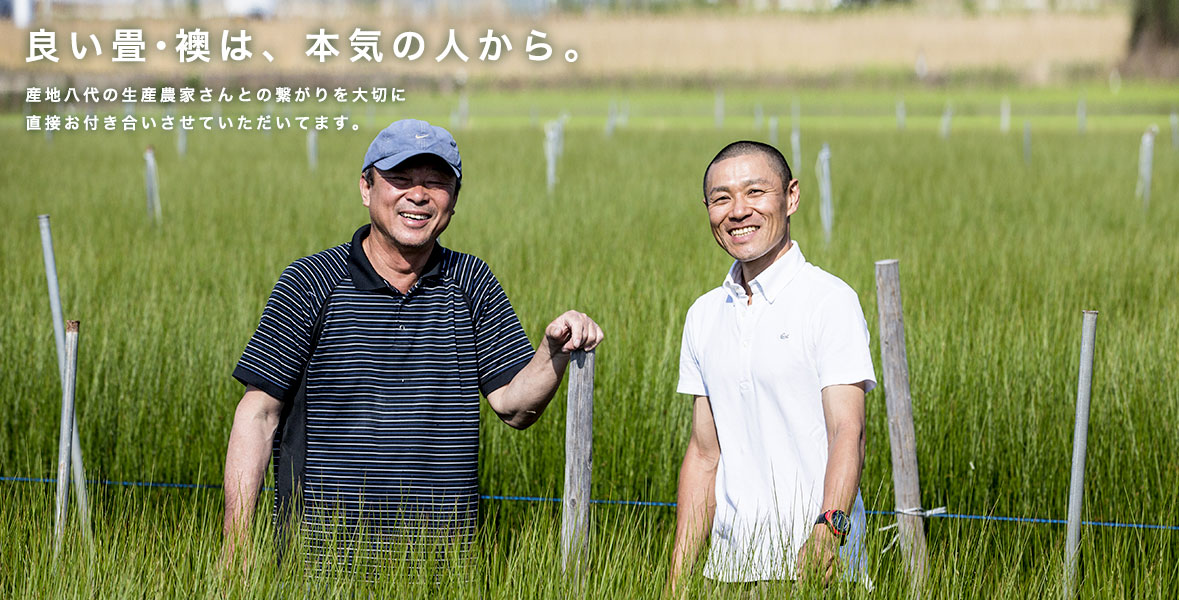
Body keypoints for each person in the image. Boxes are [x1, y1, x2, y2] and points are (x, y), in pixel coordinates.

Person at [221, 118, 604, 572]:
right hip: (317, 564)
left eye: (436, 183)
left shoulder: (472, 282)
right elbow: (258, 415)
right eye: (400, 179)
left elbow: (513, 405)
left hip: (441, 565)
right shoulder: (310, 283)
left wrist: (552, 351)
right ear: (366, 188)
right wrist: (237, 552)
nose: (418, 195)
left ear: (454, 201)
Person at [669, 141, 876, 590]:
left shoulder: (829, 301)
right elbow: (705, 455)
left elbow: (849, 432)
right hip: (726, 574)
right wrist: (677, 582)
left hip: (818, 567)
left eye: (755, 192)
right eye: (721, 198)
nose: (738, 211)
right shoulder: (703, 314)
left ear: (792, 197)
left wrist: (828, 531)